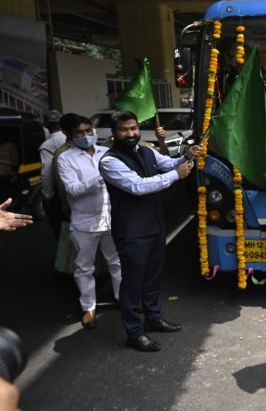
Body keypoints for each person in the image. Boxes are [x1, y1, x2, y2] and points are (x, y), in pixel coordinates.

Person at [99, 111, 200, 352]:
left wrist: (187, 155)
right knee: (133, 282)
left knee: (153, 278)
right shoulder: (109, 161)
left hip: (154, 225)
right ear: (114, 132)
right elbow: (137, 186)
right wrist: (175, 175)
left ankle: (153, 319)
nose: (131, 133)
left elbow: (169, 163)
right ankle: (134, 332)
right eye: (124, 129)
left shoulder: (146, 150)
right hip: (131, 231)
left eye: (133, 128)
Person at [56, 116, 122, 329]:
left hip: (111, 217)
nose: (85, 136)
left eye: (88, 131)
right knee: (84, 267)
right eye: (79, 133)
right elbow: (72, 190)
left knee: (117, 261)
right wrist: (99, 178)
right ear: (70, 136)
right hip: (85, 222)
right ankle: (88, 307)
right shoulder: (66, 158)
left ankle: (123, 299)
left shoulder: (107, 152)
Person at [39, 110, 67, 237]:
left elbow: (47, 173)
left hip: (59, 191)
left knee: (62, 231)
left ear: (45, 125)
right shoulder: (70, 137)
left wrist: (47, 195)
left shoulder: (48, 145)